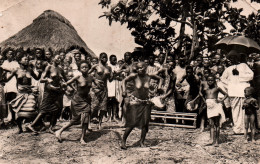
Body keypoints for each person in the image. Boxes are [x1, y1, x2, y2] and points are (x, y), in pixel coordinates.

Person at [121, 62, 162, 150]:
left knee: (145, 123)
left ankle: (142, 141)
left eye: (141, 68)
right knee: (132, 122)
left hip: (146, 102)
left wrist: (159, 87)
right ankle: (123, 141)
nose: (139, 69)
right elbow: (124, 80)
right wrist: (124, 91)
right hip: (136, 101)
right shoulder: (134, 76)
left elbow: (160, 79)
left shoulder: (149, 76)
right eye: (138, 68)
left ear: (145, 68)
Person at [55, 61, 95, 144]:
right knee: (75, 120)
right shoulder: (77, 77)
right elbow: (66, 83)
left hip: (86, 100)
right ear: (80, 69)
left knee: (86, 118)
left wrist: (94, 90)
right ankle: (60, 131)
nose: (84, 69)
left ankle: (82, 138)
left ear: (89, 68)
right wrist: (65, 86)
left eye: (86, 67)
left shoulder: (91, 77)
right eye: (82, 67)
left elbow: (96, 84)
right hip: (77, 100)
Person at [28, 54, 67, 133]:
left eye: (60, 58)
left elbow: (66, 80)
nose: (59, 59)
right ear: (53, 58)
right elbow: (42, 79)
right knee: (44, 109)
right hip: (49, 91)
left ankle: (51, 127)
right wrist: (47, 80)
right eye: (57, 58)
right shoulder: (49, 67)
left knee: (56, 109)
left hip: (57, 92)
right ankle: (31, 125)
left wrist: (64, 85)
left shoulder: (61, 69)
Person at [221, 50, 254, 134]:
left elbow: (251, 76)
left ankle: (246, 129)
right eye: (230, 58)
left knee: (244, 110)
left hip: (243, 91)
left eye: (234, 57)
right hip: (233, 92)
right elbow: (222, 79)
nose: (232, 59)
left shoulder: (243, 66)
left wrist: (239, 75)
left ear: (237, 58)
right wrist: (230, 85)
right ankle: (237, 129)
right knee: (235, 110)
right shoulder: (228, 69)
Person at [6, 55, 42, 133]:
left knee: (31, 108)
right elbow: (6, 79)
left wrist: (40, 72)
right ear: (20, 61)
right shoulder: (16, 70)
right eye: (25, 59)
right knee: (20, 110)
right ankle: (20, 128)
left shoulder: (30, 70)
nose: (27, 60)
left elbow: (37, 78)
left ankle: (30, 125)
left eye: (27, 59)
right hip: (20, 93)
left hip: (29, 92)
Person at [201, 75, 227, 145]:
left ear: (214, 81)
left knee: (217, 124)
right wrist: (205, 101)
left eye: (211, 80)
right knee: (211, 124)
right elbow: (202, 96)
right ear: (207, 81)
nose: (210, 82)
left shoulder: (217, 88)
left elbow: (226, 94)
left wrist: (221, 101)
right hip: (209, 107)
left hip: (216, 106)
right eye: (208, 80)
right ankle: (211, 140)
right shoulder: (206, 90)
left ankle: (217, 141)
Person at [88, 52, 112, 129]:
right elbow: (87, 74)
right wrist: (94, 79)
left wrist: (113, 75)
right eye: (103, 57)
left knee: (103, 107)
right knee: (93, 106)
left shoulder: (109, 68)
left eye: (106, 57)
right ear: (100, 58)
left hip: (104, 88)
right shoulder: (95, 66)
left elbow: (110, 80)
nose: (105, 59)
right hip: (95, 88)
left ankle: (100, 123)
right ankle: (88, 123)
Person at [2, 48, 20, 123]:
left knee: (13, 101)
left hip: (13, 84)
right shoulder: (4, 63)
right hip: (6, 84)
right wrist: (11, 70)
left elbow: (17, 71)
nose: (11, 55)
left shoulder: (15, 63)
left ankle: (13, 118)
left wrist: (10, 70)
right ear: (6, 55)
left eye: (12, 54)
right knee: (6, 102)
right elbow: (2, 69)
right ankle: (6, 118)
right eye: (9, 54)